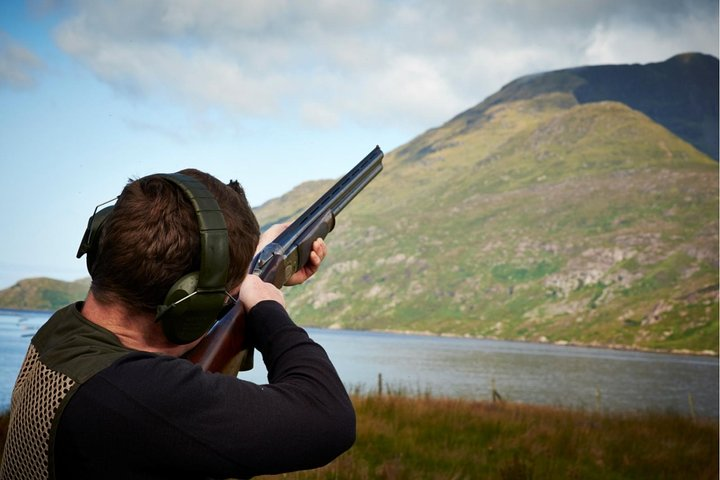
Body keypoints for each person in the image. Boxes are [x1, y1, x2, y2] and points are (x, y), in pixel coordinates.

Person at [0, 169, 356, 480]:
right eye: (224, 299)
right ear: (192, 310)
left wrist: (242, 273)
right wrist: (265, 304)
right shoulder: (138, 397)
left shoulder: (64, 329)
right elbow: (329, 418)